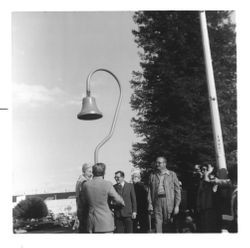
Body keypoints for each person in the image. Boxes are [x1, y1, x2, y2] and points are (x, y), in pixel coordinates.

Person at [79, 163, 125, 233]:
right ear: (104, 173)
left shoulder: (86, 185)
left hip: (92, 223)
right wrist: (122, 203)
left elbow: (83, 202)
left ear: (93, 172)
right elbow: (118, 200)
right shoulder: (107, 184)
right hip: (106, 223)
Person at [148, 156, 181, 233]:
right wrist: (150, 204)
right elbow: (150, 191)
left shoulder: (172, 174)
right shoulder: (152, 175)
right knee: (157, 223)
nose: (157, 164)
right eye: (156, 162)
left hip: (168, 201)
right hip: (156, 201)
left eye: (159, 163)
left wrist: (177, 205)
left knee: (168, 223)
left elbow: (177, 191)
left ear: (165, 164)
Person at [196, 163, 220, 233]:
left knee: (209, 229)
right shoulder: (202, 181)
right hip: (203, 209)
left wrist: (208, 172)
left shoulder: (214, 179)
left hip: (211, 209)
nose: (203, 171)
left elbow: (208, 183)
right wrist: (198, 206)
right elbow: (199, 195)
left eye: (205, 169)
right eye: (202, 170)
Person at [75, 163, 92, 233]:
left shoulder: (80, 180)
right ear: (84, 172)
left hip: (81, 210)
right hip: (85, 210)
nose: (91, 173)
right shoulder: (84, 182)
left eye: (91, 171)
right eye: (89, 171)